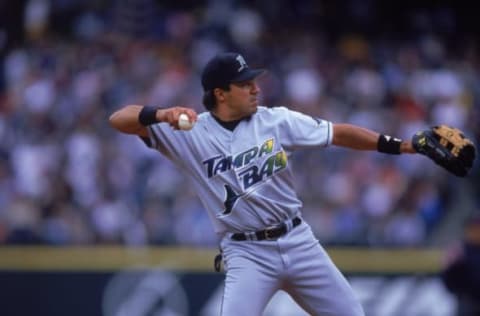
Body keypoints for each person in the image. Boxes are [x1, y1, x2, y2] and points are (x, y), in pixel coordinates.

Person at [109, 52, 417, 316]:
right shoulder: (191, 134)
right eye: (245, 84)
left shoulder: (275, 120)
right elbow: (120, 119)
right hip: (247, 253)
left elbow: (338, 133)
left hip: (298, 241)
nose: (256, 89)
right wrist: (161, 114)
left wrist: (400, 146)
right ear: (221, 93)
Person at [441, 212, 480, 316]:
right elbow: (448, 280)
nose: (477, 231)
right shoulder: (460, 250)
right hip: (468, 302)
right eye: (474, 227)